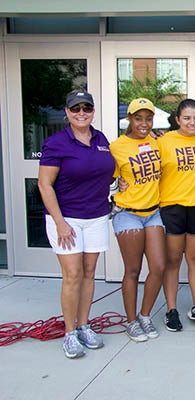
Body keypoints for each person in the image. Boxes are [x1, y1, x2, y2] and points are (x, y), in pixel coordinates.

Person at [38, 90, 115, 358]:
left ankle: (84, 325)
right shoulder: (56, 143)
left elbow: (104, 172)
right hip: (67, 218)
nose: (81, 113)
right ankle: (69, 333)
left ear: (93, 110)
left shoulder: (101, 138)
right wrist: (60, 223)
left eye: (86, 107)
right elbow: (44, 184)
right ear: (67, 112)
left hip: (95, 216)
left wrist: (117, 183)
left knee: (89, 273)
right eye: (75, 108)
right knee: (72, 275)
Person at [110, 98, 166, 342]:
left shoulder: (157, 143)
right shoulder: (117, 147)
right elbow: (106, 179)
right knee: (132, 270)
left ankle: (145, 315)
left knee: (159, 267)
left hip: (153, 212)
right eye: (138, 118)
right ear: (129, 119)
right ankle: (131, 321)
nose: (143, 123)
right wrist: (116, 186)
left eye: (148, 118)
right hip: (128, 213)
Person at [158, 99, 195, 332]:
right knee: (172, 261)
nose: (192, 122)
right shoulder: (163, 141)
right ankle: (171, 310)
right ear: (178, 119)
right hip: (172, 207)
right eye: (187, 118)